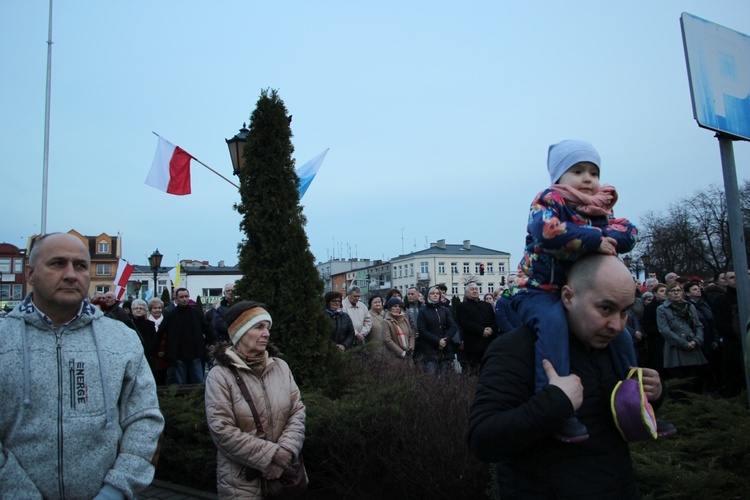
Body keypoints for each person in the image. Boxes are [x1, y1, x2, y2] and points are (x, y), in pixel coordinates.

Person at [467, 255, 664, 499]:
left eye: (624, 312)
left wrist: (649, 396)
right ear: (568, 296)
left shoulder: (612, 347)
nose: (616, 325)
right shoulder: (516, 348)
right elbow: (482, 440)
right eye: (605, 308)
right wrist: (554, 402)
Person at [0, 232, 164, 498]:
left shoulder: (121, 338)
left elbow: (144, 418)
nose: (70, 274)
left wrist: (118, 488)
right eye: (56, 263)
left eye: (80, 265)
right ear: (30, 274)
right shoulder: (3, 338)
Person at [512, 140, 638, 442]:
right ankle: (557, 405)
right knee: (553, 323)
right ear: (558, 177)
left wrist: (599, 234)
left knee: (620, 332)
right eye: (577, 170)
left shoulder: (600, 207)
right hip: (538, 289)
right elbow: (547, 231)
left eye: (593, 172)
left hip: (577, 291)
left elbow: (629, 231)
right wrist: (595, 239)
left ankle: (633, 398)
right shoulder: (548, 201)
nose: (587, 179)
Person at [205, 301, 305, 499]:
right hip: (241, 483)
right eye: (259, 327)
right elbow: (221, 429)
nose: (266, 333)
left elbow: (297, 412)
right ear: (240, 333)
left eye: (267, 327)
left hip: (284, 479)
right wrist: (271, 456)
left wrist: (285, 451)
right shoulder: (220, 375)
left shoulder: (281, 367)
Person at [657, 281, 708, 397]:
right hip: (676, 350)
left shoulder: (690, 306)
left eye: (678, 290)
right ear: (668, 294)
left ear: (683, 293)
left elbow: (698, 325)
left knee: (693, 384)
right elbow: (664, 330)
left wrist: (697, 340)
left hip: (693, 349)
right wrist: (684, 343)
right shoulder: (662, 309)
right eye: (672, 291)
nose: (676, 293)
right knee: (679, 385)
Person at [157, 287, 216, 385]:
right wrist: (158, 348)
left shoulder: (196, 313)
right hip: (178, 353)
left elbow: (207, 328)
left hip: (195, 352)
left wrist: (213, 341)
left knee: (198, 381)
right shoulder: (171, 314)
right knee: (181, 383)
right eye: (181, 297)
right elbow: (161, 331)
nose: (184, 299)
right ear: (176, 298)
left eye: (186, 296)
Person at [456, 282, 498, 375]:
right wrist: (481, 331)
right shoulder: (462, 306)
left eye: (476, 289)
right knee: (474, 373)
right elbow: (465, 323)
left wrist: (491, 329)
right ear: (466, 293)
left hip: (488, 343)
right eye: (472, 289)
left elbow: (494, 320)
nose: (475, 291)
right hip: (473, 345)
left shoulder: (486, 305)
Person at [415, 285, 458, 375]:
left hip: (445, 350)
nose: (435, 295)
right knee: (431, 379)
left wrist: (445, 340)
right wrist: (438, 340)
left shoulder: (445, 310)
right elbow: (422, 330)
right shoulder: (423, 311)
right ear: (428, 295)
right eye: (432, 293)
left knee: (445, 379)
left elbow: (453, 326)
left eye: (437, 293)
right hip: (429, 350)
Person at [130, 298, 159, 378]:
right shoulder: (128, 324)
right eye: (136, 308)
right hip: (133, 357)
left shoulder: (150, 324)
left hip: (147, 357)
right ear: (132, 310)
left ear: (145, 310)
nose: (138, 310)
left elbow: (153, 341)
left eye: (141, 308)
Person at [381, 297, 416, 363]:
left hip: (408, 357)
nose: (398, 308)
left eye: (399, 306)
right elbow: (387, 340)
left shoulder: (405, 320)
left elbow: (411, 335)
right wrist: (402, 353)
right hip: (394, 358)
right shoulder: (386, 322)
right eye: (395, 306)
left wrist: (410, 349)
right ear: (390, 308)